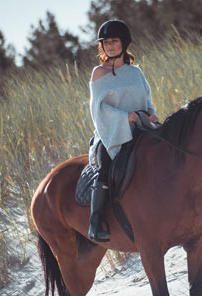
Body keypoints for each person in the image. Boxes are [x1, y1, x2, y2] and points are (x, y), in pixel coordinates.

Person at [88, 19, 159, 242]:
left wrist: (151, 112)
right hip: (110, 133)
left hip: (141, 127)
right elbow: (98, 109)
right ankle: (96, 221)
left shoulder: (135, 72)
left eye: (114, 41)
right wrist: (122, 117)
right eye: (106, 42)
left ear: (124, 43)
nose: (110, 46)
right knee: (106, 166)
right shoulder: (98, 73)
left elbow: (147, 98)